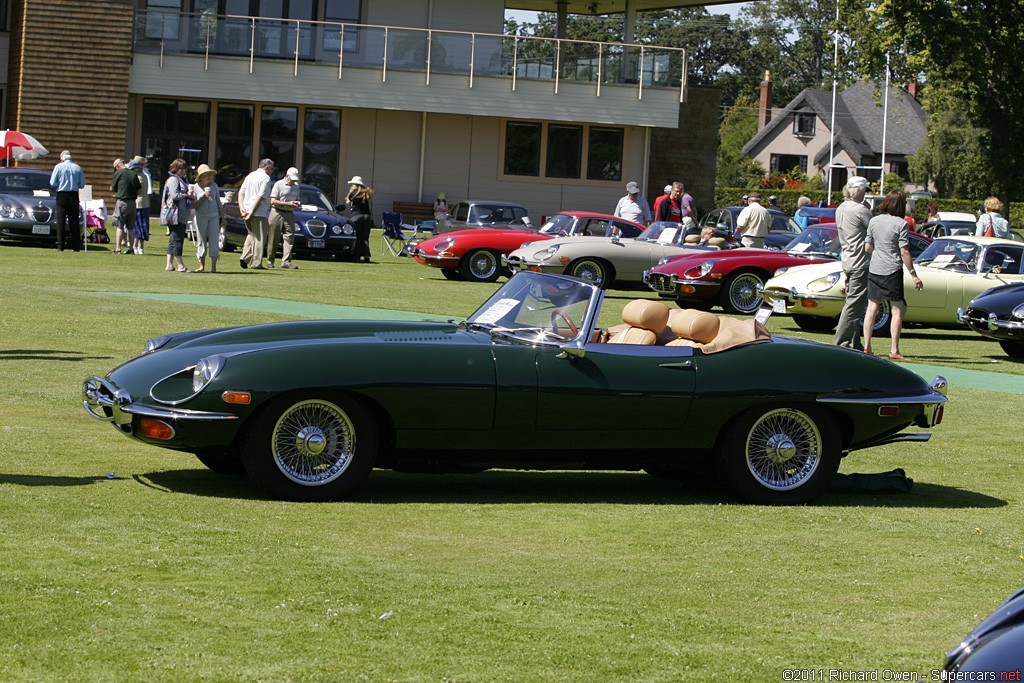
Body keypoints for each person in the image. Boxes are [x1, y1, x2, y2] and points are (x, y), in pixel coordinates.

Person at [862, 190, 923, 360]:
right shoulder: (901, 224)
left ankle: (867, 347)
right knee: (897, 309)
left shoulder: (874, 221)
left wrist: (879, 253)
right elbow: (904, 251)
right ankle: (894, 350)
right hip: (892, 270)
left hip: (875, 269)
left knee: (872, 307)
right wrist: (914, 274)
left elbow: (867, 247)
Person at [832, 177, 872, 349]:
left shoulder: (841, 208)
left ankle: (854, 343)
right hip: (860, 261)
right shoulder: (860, 210)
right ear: (860, 190)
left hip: (848, 259)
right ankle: (840, 342)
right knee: (854, 305)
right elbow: (874, 229)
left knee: (853, 303)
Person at [237, 158, 275, 270]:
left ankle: (245, 257)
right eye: (271, 169)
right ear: (267, 168)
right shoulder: (265, 178)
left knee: (251, 234)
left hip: (247, 208)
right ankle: (256, 263)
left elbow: (241, 193)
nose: (272, 171)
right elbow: (261, 196)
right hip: (259, 211)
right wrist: (251, 211)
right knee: (260, 237)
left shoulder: (250, 175)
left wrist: (242, 208)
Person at [49, 150, 85, 251]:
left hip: (62, 195)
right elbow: (82, 184)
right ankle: (76, 246)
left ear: (62, 158)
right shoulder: (77, 167)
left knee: (61, 221)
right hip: (73, 195)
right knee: (74, 221)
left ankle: (61, 246)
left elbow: (52, 182)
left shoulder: (58, 167)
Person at [189, 164, 223, 273]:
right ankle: (201, 266)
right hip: (201, 216)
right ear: (201, 177)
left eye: (209, 174)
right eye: (205, 175)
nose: (208, 177)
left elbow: (218, 202)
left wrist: (223, 217)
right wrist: (204, 196)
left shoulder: (214, 186)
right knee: (201, 240)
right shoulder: (195, 187)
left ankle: (214, 267)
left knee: (214, 240)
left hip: (214, 215)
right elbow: (194, 206)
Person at [161, 159, 192, 272]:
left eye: (184, 168)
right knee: (178, 239)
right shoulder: (173, 179)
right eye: (180, 168)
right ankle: (180, 265)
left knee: (173, 239)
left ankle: (169, 264)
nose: (183, 171)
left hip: (179, 214)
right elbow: (174, 195)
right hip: (175, 215)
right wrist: (186, 195)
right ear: (175, 169)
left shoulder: (179, 179)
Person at [268, 167, 302, 270]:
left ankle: (286, 261)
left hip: (289, 213)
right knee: (273, 237)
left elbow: (297, 199)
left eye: (295, 179)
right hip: (277, 212)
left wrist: (297, 203)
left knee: (289, 237)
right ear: (286, 176)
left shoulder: (296, 187)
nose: (293, 181)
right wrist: (287, 203)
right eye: (292, 179)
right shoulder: (278, 184)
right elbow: (273, 201)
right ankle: (270, 261)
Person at [112, 159, 141, 256]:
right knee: (131, 227)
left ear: (117, 167)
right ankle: (131, 249)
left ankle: (118, 249)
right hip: (132, 203)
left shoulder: (118, 173)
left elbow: (112, 188)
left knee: (120, 226)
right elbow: (139, 190)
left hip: (122, 202)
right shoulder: (133, 174)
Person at [346, 175, 374, 263]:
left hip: (356, 216)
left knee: (357, 237)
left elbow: (348, 201)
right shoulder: (366, 193)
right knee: (365, 237)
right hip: (367, 217)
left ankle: (356, 256)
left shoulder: (353, 193)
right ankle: (366, 255)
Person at [133, 155, 153, 255]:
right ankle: (137, 246)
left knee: (140, 225)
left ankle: (137, 246)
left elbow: (138, 191)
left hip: (139, 203)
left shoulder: (140, 176)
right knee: (140, 225)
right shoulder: (143, 175)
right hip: (142, 203)